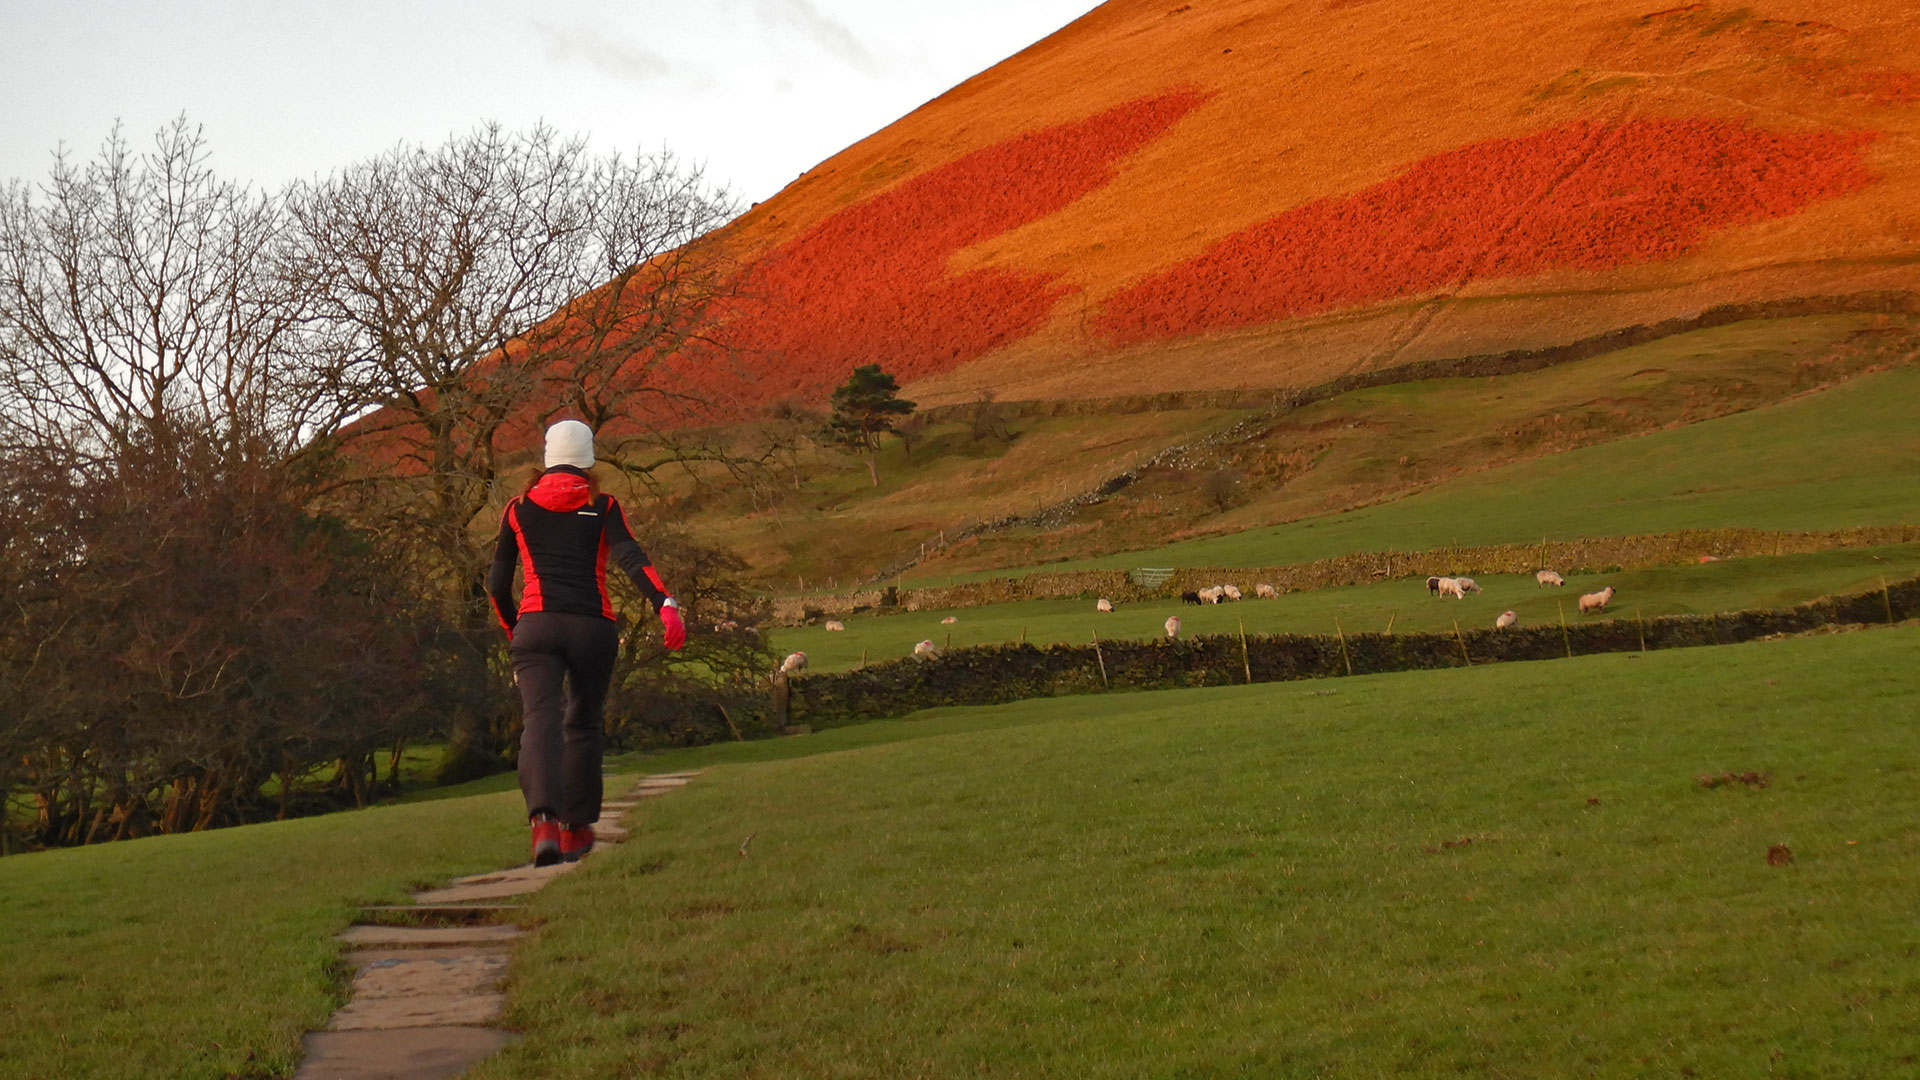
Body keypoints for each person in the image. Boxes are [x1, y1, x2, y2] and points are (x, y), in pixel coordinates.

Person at [487, 419, 686, 866]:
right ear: (588, 460)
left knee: (540, 719)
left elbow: (497, 582)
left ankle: (543, 824)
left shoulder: (517, 508)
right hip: (593, 627)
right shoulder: (604, 504)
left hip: (536, 624)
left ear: (546, 458)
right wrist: (664, 603)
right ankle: (577, 830)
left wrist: (512, 625)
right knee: (583, 723)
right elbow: (633, 558)